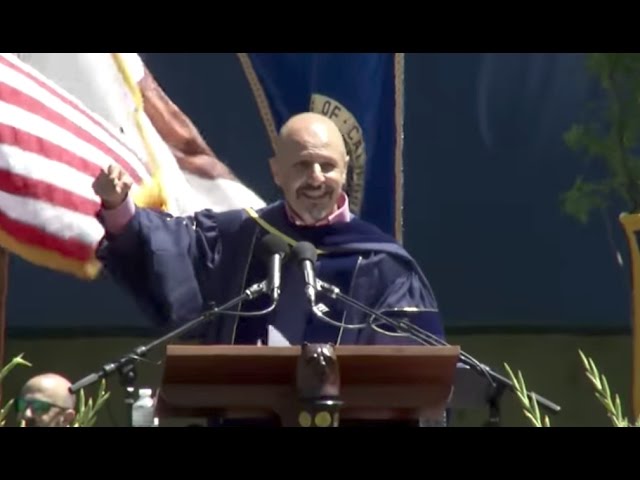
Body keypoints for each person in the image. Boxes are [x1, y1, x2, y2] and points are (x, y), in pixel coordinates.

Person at [93, 112, 446, 425]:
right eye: (302, 165)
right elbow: (166, 245)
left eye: (327, 166)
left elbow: (414, 377)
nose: (316, 178)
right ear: (276, 172)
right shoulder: (240, 236)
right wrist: (118, 206)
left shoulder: (384, 264)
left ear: (346, 170)